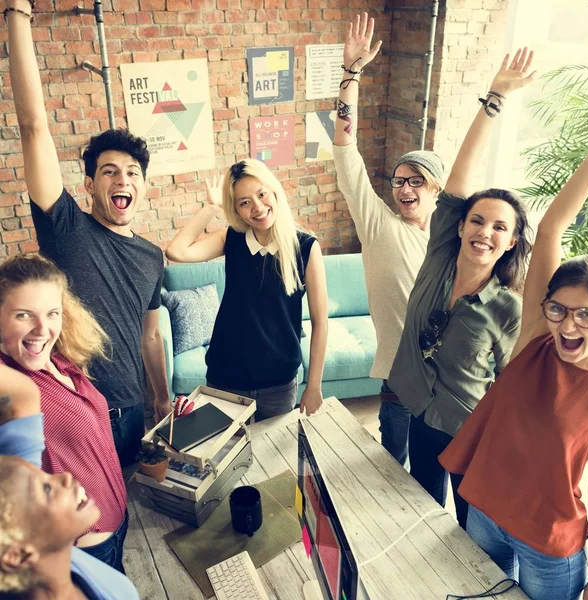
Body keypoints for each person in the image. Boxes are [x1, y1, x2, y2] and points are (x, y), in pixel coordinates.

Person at [6, 0, 170, 467]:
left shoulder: (152, 256)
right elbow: (34, 128)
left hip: (133, 410)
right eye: (110, 172)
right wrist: (17, 14)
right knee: (87, 520)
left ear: (143, 184)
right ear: (90, 184)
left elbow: (151, 336)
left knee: (125, 508)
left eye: (132, 173)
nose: (122, 181)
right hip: (73, 411)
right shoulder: (66, 229)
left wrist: (160, 397)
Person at [439, 136, 588, 600]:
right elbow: (550, 230)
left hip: (548, 545)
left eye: (587, 314)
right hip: (483, 514)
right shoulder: (536, 337)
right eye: (559, 309)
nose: (568, 324)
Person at [387, 50, 536, 528]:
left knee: (471, 528)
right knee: (421, 514)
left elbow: (512, 383)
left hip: (469, 431)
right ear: (458, 225)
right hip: (418, 414)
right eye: (477, 219)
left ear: (511, 242)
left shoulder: (508, 308)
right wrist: (495, 99)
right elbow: (458, 182)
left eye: (499, 227)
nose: (484, 232)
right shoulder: (438, 259)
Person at [333, 13, 444, 469]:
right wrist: (350, 74)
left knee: (434, 474)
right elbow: (345, 150)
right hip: (399, 383)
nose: (404, 189)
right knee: (389, 471)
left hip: (447, 383)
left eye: (416, 180)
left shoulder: (454, 239)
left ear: (437, 187)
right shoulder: (379, 225)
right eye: (398, 180)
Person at [166, 160, 328, 419]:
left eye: (262, 194)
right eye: (244, 202)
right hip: (225, 377)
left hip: (278, 383)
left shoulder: (306, 247)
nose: (258, 207)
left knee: (272, 458)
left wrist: (314, 385)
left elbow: (320, 323)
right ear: (237, 211)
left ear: (274, 191)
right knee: (226, 456)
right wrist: (212, 208)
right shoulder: (231, 239)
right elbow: (177, 251)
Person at [0, 253, 128, 572]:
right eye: (24, 315)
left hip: (116, 522)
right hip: (83, 548)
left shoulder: (58, 359)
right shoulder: (9, 384)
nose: (42, 329)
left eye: (52, 313)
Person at [0, 364, 139, 600]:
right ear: (19, 555)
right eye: (45, 488)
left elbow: (25, 392)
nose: (63, 476)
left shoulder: (61, 560)